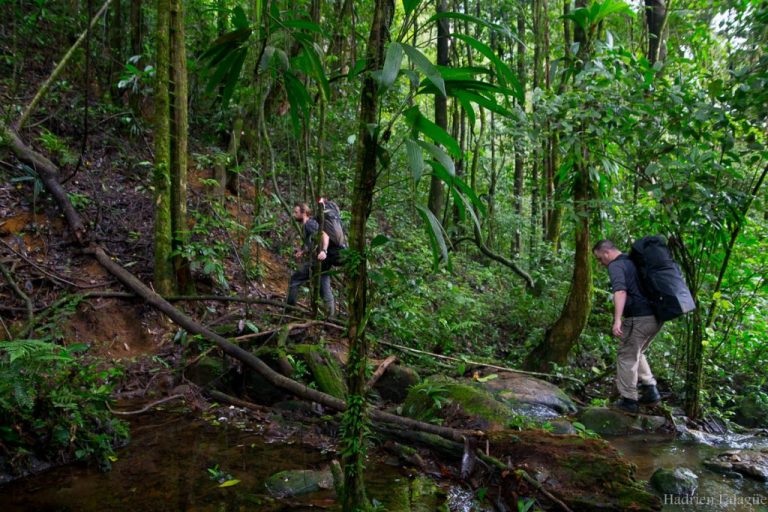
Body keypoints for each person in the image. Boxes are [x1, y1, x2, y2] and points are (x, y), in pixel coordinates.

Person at [593, 239, 662, 413]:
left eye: (600, 259)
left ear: (606, 253)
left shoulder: (616, 266)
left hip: (639, 317)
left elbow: (620, 291)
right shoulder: (634, 261)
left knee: (626, 356)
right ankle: (650, 390)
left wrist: (617, 320)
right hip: (656, 316)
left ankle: (629, 401)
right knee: (636, 352)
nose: (600, 263)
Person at [286, 199, 342, 318]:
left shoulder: (309, 224)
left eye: (296, 212)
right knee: (324, 286)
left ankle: (289, 310)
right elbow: (313, 242)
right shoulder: (310, 224)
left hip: (322, 258)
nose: (294, 215)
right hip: (327, 260)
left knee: (295, 279)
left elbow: (324, 236)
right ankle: (330, 318)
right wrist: (303, 251)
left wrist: (324, 251)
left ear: (304, 212)